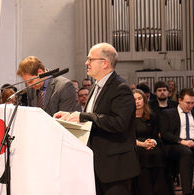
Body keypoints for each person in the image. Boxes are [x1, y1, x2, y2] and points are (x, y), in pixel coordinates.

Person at [54, 43, 139, 195]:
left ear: (104, 62)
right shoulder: (95, 86)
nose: (87, 63)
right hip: (95, 163)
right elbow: (93, 117)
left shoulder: (121, 88)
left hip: (115, 167)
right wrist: (70, 117)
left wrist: (83, 116)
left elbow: (119, 123)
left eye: (90, 59)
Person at [133, 89, 174, 195]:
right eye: (134, 99)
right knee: (145, 155)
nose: (137, 102)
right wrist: (142, 144)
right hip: (135, 145)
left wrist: (153, 142)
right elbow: (127, 138)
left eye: (139, 99)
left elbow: (157, 136)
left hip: (151, 145)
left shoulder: (152, 116)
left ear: (144, 100)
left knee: (159, 154)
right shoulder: (127, 119)